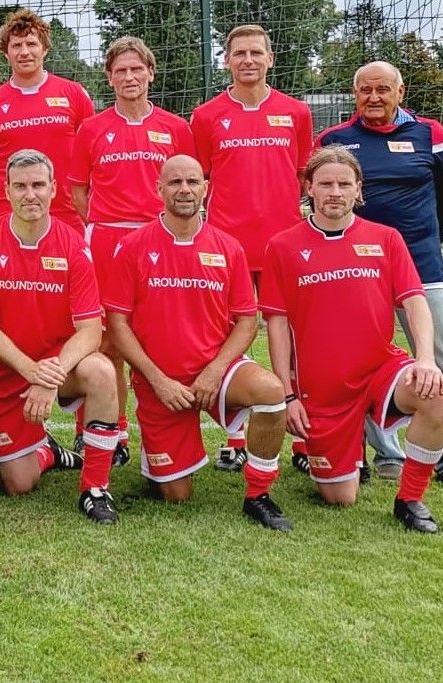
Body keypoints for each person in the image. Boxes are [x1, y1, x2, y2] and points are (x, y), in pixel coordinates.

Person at [260, 146, 443, 533]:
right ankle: (347, 450)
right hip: (323, 389)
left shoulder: (386, 238)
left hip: (380, 369)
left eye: (344, 184)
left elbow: (415, 302)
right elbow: (277, 324)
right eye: (325, 184)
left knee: (434, 391)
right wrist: (288, 394)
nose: (335, 192)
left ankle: (410, 499)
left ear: (358, 189)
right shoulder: (282, 245)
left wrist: (426, 359)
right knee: (340, 497)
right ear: (309, 187)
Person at [105, 156, 291, 531]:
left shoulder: (228, 247)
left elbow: (246, 321)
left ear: (205, 189)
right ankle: (158, 458)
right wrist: (158, 380)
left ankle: (258, 494)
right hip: (161, 383)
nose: (185, 190)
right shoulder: (132, 246)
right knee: (175, 494)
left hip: (216, 373)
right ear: (159, 189)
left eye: (192, 182)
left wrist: (215, 370)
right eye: (175, 183)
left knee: (271, 392)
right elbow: (117, 324)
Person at [317, 61, 443, 488]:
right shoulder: (334, 140)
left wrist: (428, 238)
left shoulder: (430, 134)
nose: (374, 97)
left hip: (422, 266)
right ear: (355, 94)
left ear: (400, 92)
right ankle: (386, 452)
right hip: (357, 270)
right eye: (365, 90)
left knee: (441, 359)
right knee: (362, 362)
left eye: (383, 89)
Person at [0, 150, 119, 523]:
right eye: (20, 186)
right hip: (7, 373)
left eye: (38, 185)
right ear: (5, 191)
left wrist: (49, 376)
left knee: (101, 371)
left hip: (59, 369)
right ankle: (47, 450)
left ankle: (95, 488)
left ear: (53, 189)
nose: (30, 194)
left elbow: (90, 331)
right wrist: (30, 370)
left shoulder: (74, 245)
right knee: (18, 484)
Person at [189, 24, 313, 471]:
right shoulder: (206, 116)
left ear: (270, 59)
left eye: (256, 52)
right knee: (226, 338)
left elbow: (303, 176)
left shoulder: (296, 112)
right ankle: (235, 437)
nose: (248, 60)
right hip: (228, 250)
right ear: (226, 61)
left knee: (296, 340)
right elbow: (199, 179)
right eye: (239, 53)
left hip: (283, 249)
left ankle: (303, 441)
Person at [69, 36, 196, 464]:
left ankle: (167, 432)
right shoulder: (92, 129)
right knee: (105, 341)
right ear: (109, 78)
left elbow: (190, 185)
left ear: (150, 73)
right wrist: (106, 224)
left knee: (161, 338)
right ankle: (110, 432)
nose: (129, 77)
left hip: (159, 239)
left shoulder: (176, 128)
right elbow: (78, 190)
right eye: (120, 70)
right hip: (107, 241)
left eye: (136, 69)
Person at [0, 8, 94, 228]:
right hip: (7, 214)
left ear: (45, 49)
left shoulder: (74, 94)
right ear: (6, 53)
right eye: (16, 45)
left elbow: (90, 154)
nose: (24, 52)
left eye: (31, 44)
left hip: (66, 212)